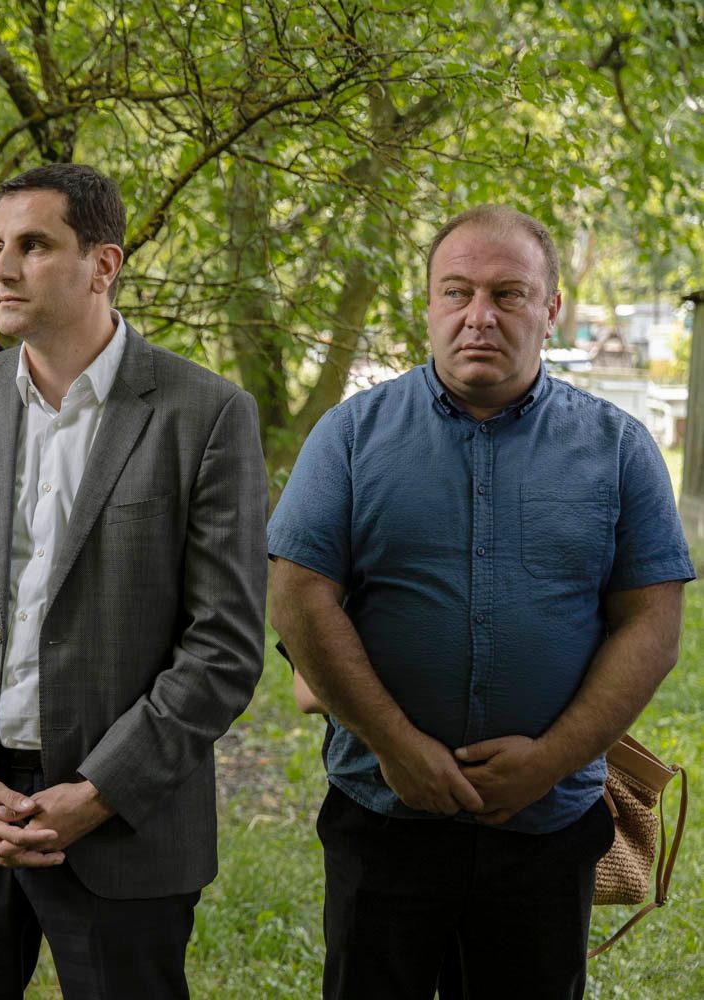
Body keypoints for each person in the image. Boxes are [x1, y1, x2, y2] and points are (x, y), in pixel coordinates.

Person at [268, 204, 694, 999]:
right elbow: (296, 598)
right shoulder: (349, 436)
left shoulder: (618, 448)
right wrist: (395, 745)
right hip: (383, 815)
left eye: (507, 294)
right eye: (456, 291)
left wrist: (550, 761)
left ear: (550, 307)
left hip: (547, 826)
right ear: (427, 303)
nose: (478, 316)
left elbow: (652, 627)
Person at [0, 163, 268, 998]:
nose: (2, 269)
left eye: (33, 246)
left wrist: (97, 793)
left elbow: (223, 648)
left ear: (102, 265)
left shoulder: (204, 415)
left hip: (124, 826)